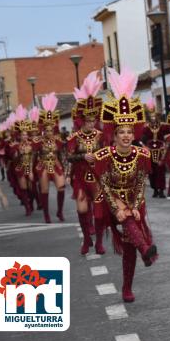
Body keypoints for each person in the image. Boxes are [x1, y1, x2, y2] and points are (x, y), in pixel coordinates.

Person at [92, 67, 157, 303]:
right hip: (111, 196)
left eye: (130, 131)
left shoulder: (141, 154)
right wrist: (118, 207)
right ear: (115, 134)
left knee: (129, 241)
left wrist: (137, 204)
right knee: (125, 218)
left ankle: (127, 287)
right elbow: (105, 184)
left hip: (133, 196)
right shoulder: (105, 155)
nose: (127, 136)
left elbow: (141, 182)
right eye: (122, 132)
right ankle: (146, 249)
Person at [67, 71, 105, 255]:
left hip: (97, 176)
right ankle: (87, 239)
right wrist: (83, 157)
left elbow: (107, 152)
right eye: (88, 120)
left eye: (94, 119)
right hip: (80, 176)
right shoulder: (74, 137)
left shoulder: (101, 136)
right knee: (82, 208)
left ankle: (98, 242)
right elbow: (68, 156)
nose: (92, 123)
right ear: (82, 120)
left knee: (98, 208)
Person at [37, 93, 66, 224]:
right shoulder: (38, 141)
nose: (49, 132)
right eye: (46, 130)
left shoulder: (58, 140)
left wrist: (65, 168)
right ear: (43, 130)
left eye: (51, 130)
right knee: (44, 190)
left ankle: (60, 211)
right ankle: (46, 215)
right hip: (43, 164)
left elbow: (62, 154)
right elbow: (33, 155)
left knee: (61, 187)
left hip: (55, 164)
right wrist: (30, 171)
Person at [142, 98, 169, 198]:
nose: (153, 119)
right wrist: (145, 147)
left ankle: (161, 190)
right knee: (152, 171)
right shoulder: (146, 127)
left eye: (155, 117)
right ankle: (155, 189)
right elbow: (141, 139)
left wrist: (166, 145)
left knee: (161, 171)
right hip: (150, 151)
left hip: (160, 151)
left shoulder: (163, 126)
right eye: (151, 117)